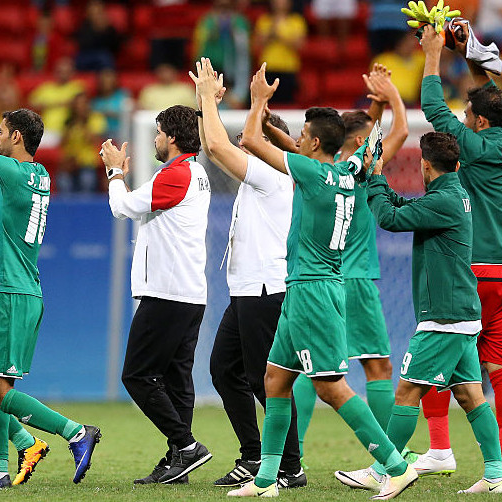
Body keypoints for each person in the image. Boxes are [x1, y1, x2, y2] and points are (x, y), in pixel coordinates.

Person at [226, 64, 416, 499]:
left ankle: (395, 464)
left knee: (331, 386)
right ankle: (266, 481)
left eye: (304, 135)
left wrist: (258, 101)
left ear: (312, 143)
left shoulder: (312, 174)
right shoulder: (349, 171)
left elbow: (252, 140)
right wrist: (382, 105)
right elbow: (370, 144)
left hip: (314, 288)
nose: (301, 140)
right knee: (275, 380)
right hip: (305, 287)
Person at [0, 55, 102, 486]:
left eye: (1, 131)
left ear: (15, 137)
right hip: (26, 290)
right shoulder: (37, 174)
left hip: (9, 291)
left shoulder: (13, 177)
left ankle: (75, 432)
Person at [359, 130, 502, 495]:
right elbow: (401, 207)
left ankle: (384, 470)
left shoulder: (443, 201)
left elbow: (391, 219)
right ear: (456, 164)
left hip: (445, 317)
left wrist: (376, 176)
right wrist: (375, 181)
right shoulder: (452, 195)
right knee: (472, 396)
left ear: (425, 165)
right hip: (459, 313)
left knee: (407, 390)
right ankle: (494, 476)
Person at [413, 22, 502, 481]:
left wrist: (433, 52)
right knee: (501, 366)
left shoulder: (473, 146)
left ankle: (440, 449)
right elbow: (493, 101)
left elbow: (431, 105)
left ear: (477, 122)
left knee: (439, 353)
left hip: (472, 269)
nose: (462, 118)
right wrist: (470, 55)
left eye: (468, 115)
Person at [189, 58, 303, 489]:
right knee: (224, 370)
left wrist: (207, 98)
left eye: (252, 136)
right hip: (246, 290)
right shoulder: (260, 178)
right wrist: (206, 108)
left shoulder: (275, 177)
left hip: (266, 288)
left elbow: (217, 149)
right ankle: (254, 455)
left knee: (265, 379)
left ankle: (289, 465)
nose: (243, 141)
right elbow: (213, 145)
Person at [288, 64, 409, 468]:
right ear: (358, 142)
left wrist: (374, 103)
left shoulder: (325, 171)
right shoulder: (360, 168)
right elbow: (398, 134)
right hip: (353, 279)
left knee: (308, 368)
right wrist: (392, 96)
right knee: (377, 365)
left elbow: (364, 131)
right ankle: (392, 454)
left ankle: (294, 453)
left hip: (323, 278)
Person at [100, 103, 212, 485]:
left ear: (174, 138)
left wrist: (115, 171)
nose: (155, 138)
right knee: (178, 379)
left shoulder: (176, 174)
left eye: (160, 131)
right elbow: (140, 205)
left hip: (166, 293)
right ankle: (177, 461)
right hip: (190, 293)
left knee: (137, 375)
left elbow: (122, 207)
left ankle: (186, 445)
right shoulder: (194, 173)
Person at [193, 0, 251, 107]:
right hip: (211, 67)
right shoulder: (207, 21)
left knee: (234, 101)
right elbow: (199, 44)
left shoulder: (239, 21)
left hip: (234, 70)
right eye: (220, 8)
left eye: (227, 8)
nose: (223, 12)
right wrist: (215, 29)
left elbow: (244, 48)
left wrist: (233, 30)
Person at [253, 0, 307, 104]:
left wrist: (280, 35)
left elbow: (300, 44)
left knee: (287, 105)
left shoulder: (296, 21)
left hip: (288, 69)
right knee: (267, 104)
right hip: (268, 69)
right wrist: (272, 31)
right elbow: (257, 42)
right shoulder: (265, 20)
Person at [28, 57, 86, 144]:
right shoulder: (46, 88)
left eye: (66, 72)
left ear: (72, 72)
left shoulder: (77, 87)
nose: (63, 74)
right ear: (55, 72)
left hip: (67, 130)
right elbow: (32, 104)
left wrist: (48, 104)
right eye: (60, 72)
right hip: (46, 129)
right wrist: (60, 104)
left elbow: (81, 105)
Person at [59, 93, 108, 193]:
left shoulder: (95, 119)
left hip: (88, 163)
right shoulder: (68, 122)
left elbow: (95, 140)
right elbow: (63, 142)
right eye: (77, 104)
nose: (80, 107)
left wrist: (84, 123)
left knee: (87, 180)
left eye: (83, 104)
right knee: (63, 180)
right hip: (70, 162)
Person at [371, 33, 425, 105]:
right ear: (398, 44)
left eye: (412, 42)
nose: (410, 46)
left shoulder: (421, 58)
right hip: (385, 101)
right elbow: (373, 83)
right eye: (406, 43)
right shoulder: (383, 59)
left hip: (410, 102)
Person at [75, 0, 123, 71]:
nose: (95, 11)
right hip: (85, 55)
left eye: (98, 7)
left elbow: (115, 47)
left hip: (104, 55)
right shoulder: (83, 25)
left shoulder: (108, 27)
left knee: (105, 57)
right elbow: (83, 44)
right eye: (92, 7)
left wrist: (106, 31)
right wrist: (96, 29)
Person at [91, 69, 131, 141]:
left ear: (115, 81)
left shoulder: (123, 95)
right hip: (101, 135)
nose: (106, 83)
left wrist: (107, 113)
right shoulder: (96, 101)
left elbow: (128, 114)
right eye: (104, 81)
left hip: (121, 133)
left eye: (109, 80)